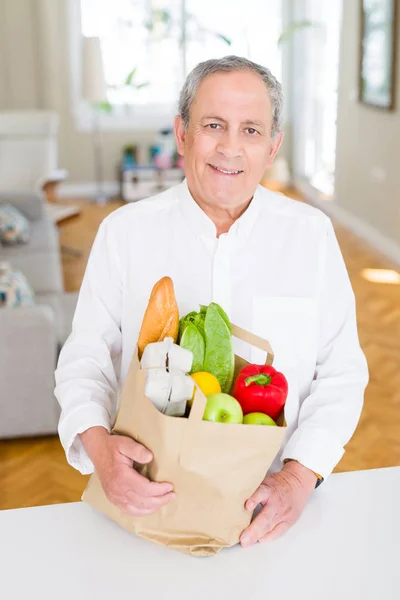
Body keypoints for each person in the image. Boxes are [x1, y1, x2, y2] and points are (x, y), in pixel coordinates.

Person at [55, 55, 369, 547]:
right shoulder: (125, 233)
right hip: (144, 505)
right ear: (182, 134)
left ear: (273, 145)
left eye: (251, 130)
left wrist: (297, 479)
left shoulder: (311, 236)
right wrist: (99, 450)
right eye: (213, 125)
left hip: (275, 512)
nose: (230, 147)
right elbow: (83, 360)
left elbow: (342, 372)